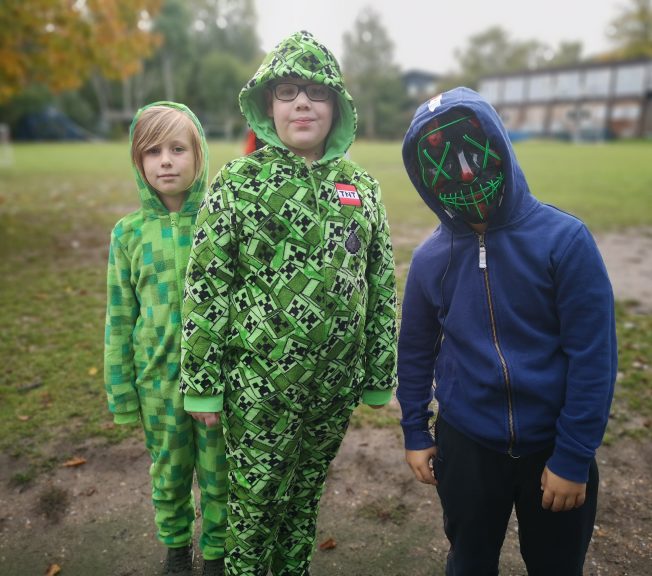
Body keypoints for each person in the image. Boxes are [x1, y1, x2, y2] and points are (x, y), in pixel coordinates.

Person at [180, 30, 398, 576]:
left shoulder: (363, 189)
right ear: (266, 103)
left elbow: (381, 285)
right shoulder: (237, 183)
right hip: (258, 388)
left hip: (333, 388)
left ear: (337, 105)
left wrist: (378, 372)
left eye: (316, 91)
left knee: (303, 501)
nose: (302, 102)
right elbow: (208, 284)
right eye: (287, 91)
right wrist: (202, 386)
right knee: (255, 511)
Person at [397, 87, 617, 576]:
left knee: (556, 563)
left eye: (473, 151)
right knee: (470, 559)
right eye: (443, 162)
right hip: (467, 446)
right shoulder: (431, 258)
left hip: (553, 444)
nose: (467, 172)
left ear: (499, 142)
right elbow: (414, 350)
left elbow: (593, 356)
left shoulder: (565, 240)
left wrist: (574, 456)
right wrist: (415, 429)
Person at [103, 101, 228, 576]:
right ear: (138, 162)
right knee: (170, 475)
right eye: (152, 151)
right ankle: (177, 549)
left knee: (219, 475)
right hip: (156, 384)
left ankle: (217, 552)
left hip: (216, 385)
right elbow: (119, 317)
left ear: (199, 154)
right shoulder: (128, 234)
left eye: (177, 148)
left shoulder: (219, 223)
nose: (166, 161)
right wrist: (121, 390)